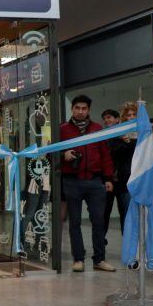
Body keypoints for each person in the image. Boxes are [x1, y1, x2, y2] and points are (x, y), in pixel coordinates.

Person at [60, 95, 115, 272]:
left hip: (95, 181)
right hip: (72, 181)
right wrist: (64, 156)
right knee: (74, 222)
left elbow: (106, 155)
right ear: (72, 109)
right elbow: (50, 154)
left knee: (99, 220)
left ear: (89, 110)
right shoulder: (62, 129)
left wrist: (108, 179)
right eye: (77, 108)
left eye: (84, 108)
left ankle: (99, 259)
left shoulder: (98, 129)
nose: (81, 111)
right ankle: (78, 259)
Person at [107, 102, 137, 239]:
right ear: (123, 118)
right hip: (124, 181)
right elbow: (112, 152)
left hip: (140, 179)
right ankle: (129, 249)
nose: (131, 117)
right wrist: (125, 142)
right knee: (126, 214)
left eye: (134, 114)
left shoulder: (144, 132)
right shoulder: (117, 133)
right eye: (128, 115)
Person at [100, 109, 122, 247]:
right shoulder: (102, 136)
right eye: (105, 118)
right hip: (106, 180)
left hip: (122, 180)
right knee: (104, 213)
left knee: (124, 212)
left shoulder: (125, 134)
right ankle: (101, 240)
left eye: (109, 117)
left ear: (117, 119)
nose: (107, 120)